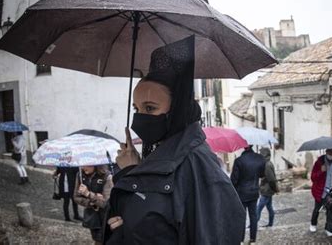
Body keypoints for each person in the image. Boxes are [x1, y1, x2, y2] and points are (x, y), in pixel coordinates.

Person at [104, 36, 245, 244]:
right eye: (137, 109)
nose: (140, 117)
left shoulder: (196, 163)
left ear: (177, 110)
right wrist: (131, 173)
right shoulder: (161, 155)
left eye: (150, 108)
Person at [231, 146, 265, 244]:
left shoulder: (239, 161)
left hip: (241, 193)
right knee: (253, 216)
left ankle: (241, 240)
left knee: (242, 216)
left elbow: (234, 180)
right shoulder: (260, 158)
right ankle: (253, 240)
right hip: (254, 192)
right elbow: (262, 175)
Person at [74, 165, 113, 244]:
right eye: (82, 165)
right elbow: (76, 197)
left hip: (105, 218)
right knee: (97, 239)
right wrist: (91, 202)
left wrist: (88, 194)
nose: (83, 168)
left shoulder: (107, 176)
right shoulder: (80, 175)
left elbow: (105, 203)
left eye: (86, 165)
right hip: (93, 218)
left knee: (103, 240)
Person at [309, 148, 332, 235]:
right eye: (330, 152)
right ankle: (313, 224)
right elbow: (313, 177)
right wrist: (321, 171)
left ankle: (328, 228)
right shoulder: (319, 162)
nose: (331, 154)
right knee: (317, 209)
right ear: (326, 152)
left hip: (331, 191)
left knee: (330, 210)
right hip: (320, 191)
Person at [256, 148, 278, 228]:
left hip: (266, 190)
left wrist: (275, 189)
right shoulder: (267, 163)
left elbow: (271, 179)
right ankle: (270, 223)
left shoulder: (267, 165)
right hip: (267, 189)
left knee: (258, 208)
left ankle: (253, 224)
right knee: (269, 207)